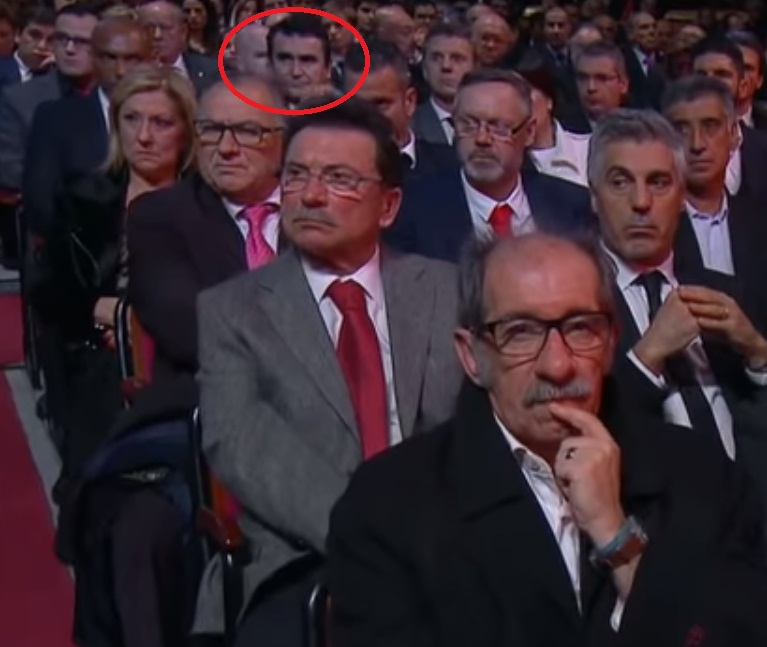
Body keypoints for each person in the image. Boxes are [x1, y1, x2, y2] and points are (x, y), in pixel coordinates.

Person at [327, 232, 767, 647]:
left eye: (581, 328)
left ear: (610, 343)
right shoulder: (387, 504)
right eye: (520, 332)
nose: (557, 366)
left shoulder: (702, 475)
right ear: (472, 356)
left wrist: (618, 540)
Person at [194, 97, 464, 644]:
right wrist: (375, 539)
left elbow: (475, 428)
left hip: (447, 543)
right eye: (296, 176)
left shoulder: (449, 290)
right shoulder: (232, 310)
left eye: (339, 179)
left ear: (388, 206)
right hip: (301, 557)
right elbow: (244, 447)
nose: (311, 196)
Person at [52, 65, 198, 647]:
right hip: (98, 366)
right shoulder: (86, 199)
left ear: (185, 131)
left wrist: (144, 320)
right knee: (99, 513)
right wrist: (106, 311)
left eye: (161, 122)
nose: (144, 135)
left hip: (179, 376)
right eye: (132, 120)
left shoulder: (207, 208)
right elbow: (50, 294)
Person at [590, 109, 767, 466]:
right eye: (621, 182)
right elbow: (584, 434)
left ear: (682, 197)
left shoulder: (727, 293)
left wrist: (759, 354)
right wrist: (648, 356)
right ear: (593, 197)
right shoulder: (575, 308)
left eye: (658, 182)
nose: (641, 202)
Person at [387, 68, 593, 263]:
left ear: (529, 133)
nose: (482, 139)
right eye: (468, 124)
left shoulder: (573, 205)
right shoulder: (413, 210)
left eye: (498, 127)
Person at [343, 40, 456, 178]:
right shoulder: (328, 170)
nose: (368, 116)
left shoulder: (453, 169)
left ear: (409, 101)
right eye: (357, 105)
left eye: (380, 104)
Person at [135, 0, 218, 95]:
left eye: (165, 28)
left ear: (183, 32)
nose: (157, 35)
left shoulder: (213, 71)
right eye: (149, 28)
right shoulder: (129, 73)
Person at [413, 22, 475, 146]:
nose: (446, 66)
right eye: (436, 58)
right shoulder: (409, 126)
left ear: (475, 67)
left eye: (457, 58)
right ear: (424, 68)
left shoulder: (494, 125)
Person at [267, 14, 331, 107]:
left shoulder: (347, 114)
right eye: (285, 59)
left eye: (307, 60)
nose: (296, 72)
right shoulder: (250, 111)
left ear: (327, 68)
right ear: (270, 64)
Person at [0, 6, 55, 90]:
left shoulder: (58, 77)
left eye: (50, 40)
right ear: (17, 35)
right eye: (35, 36)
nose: (42, 46)